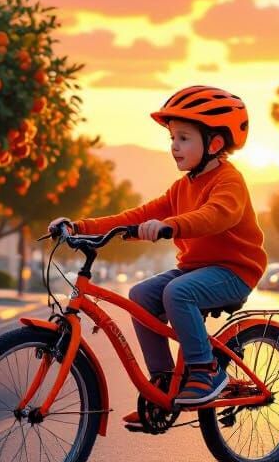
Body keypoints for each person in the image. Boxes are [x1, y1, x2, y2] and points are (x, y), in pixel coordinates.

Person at [48, 85, 267, 416]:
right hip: (196, 270)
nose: (174, 146)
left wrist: (171, 225)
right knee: (141, 295)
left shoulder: (229, 181)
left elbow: (217, 215)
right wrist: (79, 227)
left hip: (234, 271)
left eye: (183, 138)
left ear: (215, 143)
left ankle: (205, 370)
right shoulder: (182, 187)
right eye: (172, 139)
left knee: (178, 293)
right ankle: (164, 381)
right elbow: (135, 216)